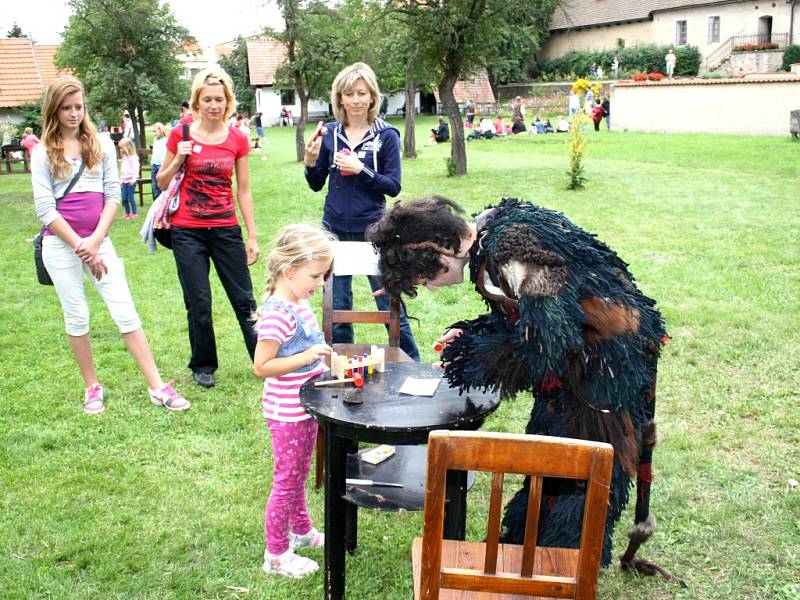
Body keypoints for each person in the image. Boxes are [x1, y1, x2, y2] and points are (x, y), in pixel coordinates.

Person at [366, 195, 670, 574]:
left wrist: (475, 353)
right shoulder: (491, 232)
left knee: (578, 473)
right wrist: (474, 330)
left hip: (603, 375)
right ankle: (531, 556)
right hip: (579, 367)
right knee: (550, 456)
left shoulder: (512, 258)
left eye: (424, 276)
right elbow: (530, 319)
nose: (429, 287)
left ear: (441, 249)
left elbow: (547, 348)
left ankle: (560, 571)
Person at [30, 75, 190, 414]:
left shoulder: (100, 143)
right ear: (54, 110)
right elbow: (45, 209)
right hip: (61, 246)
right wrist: (80, 246)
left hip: (98, 240)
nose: (74, 114)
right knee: (77, 316)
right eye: (66, 108)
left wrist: (96, 240)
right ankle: (92, 387)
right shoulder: (42, 152)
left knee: (125, 312)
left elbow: (112, 196)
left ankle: (157, 386)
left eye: (79, 107)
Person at [303, 62, 420, 361]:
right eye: (348, 94)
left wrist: (361, 169)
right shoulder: (330, 133)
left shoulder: (386, 135)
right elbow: (317, 184)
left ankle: (412, 363)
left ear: (372, 97)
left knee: (388, 302)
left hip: (375, 231)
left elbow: (393, 186)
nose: (355, 100)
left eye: (361, 93)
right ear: (339, 99)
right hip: (334, 229)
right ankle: (341, 363)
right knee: (337, 303)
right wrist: (310, 160)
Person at [156, 68, 260, 388]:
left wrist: (252, 235)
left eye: (220, 99)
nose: (214, 105)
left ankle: (263, 357)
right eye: (207, 99)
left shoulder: (237, 139)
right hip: (187, 230)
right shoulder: (180, 135)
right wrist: (177, 161)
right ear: (196, 102)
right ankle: (203, 364)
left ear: (227, 102)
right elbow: (161, 182)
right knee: (198, 301)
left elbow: (243, 189)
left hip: (226, 228)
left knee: (244, 300)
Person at [255, 224, 335, 579]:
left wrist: (325, 360)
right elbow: (263, 366)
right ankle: (276, 553)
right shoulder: (277, 315)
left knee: (300, 473)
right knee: (287, 480)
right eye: (315, 276)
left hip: (305, 407)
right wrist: (305, 358)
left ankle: (301, 531)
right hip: (286, 413)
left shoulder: (300, 303)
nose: (320, 283)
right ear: (289, 272)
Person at [117, 137, 139, 219]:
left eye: (122, 148)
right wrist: (121, 180)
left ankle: (134, 213)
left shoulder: (133, 158)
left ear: (127, 147)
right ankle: (127, 212)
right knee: (124, 198)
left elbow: (136, 169)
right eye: (120, 148)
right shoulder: (124, 158)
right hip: (124, 181)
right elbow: (123, 170)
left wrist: (134, 178)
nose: (121, 150)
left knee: (131, 197)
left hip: (131, 181)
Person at [150, 122, 168, 199]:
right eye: (153, 132)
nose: (154, 133)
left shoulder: (166, 140)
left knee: (162, 185)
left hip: (161, 165)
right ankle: (156, 203)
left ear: (161, 130)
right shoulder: (155, 140)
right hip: (154, 165)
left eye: (155, 131)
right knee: (154, 186)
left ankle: (162, 202)